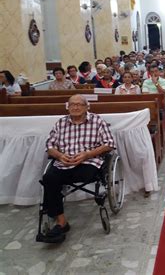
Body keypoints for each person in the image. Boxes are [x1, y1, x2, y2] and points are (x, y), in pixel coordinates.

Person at [42, 94, 115, 243]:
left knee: (59, 180)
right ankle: (62, 223)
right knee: (49, 178)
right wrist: (60, 155)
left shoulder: (97, 121)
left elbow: (109, 143)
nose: (75, 107)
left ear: (87, 107)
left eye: (79, 104)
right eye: (72, 104)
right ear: (67, 107)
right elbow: (49, 145)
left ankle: (53, 205)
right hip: (64, 161)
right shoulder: (61, 123)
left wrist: (88, 154)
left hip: (89, 162)